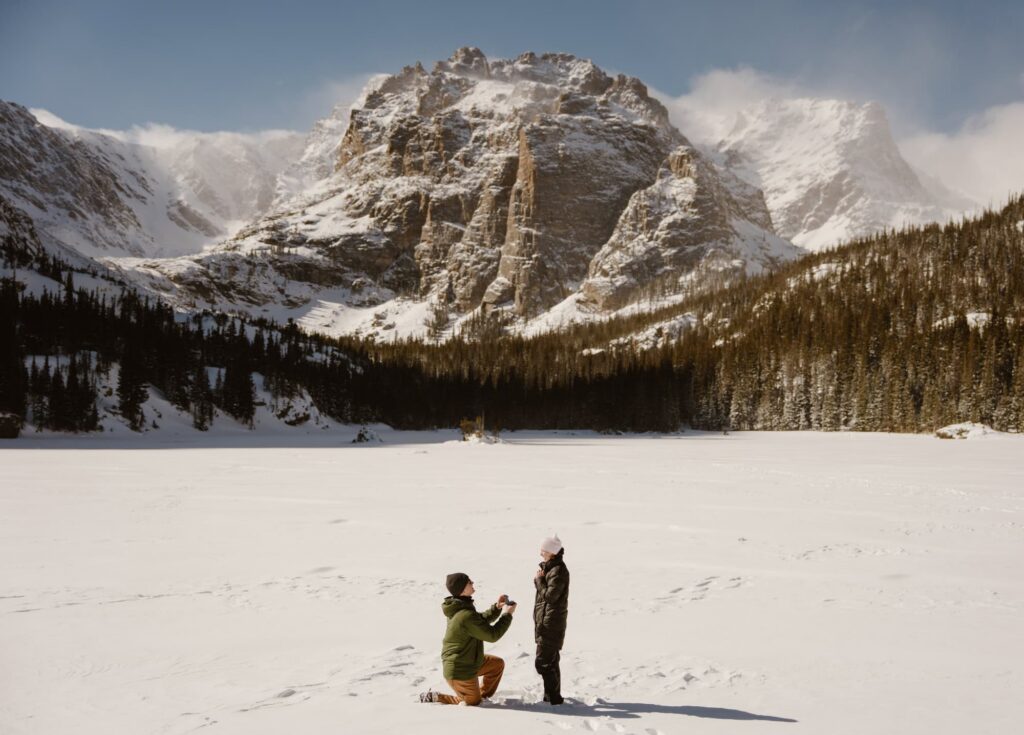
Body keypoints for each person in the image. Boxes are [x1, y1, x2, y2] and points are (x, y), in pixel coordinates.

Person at [420, 572, 516, 705]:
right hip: (459, 670)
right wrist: (507, 615)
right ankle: (438, 697)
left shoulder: (461, 607)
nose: (473, 583)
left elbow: (479, 620)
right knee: (472, 703)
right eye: (470, 582)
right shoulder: (465, 615)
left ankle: (481, 696)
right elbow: (493, 635)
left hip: (469, 661)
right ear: (462, 589)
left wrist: (497, 608)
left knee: (496, 664)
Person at [534, 535, 569, 705]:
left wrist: (539, 581)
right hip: (547, 621)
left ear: (552, 553)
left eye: (544, 550)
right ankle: (552, 697)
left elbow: (550, 596)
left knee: (543, 662)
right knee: (551, 661)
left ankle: (554, 698)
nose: (541, 553)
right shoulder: (551, 568)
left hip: (551, 623)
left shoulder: (558, 571)